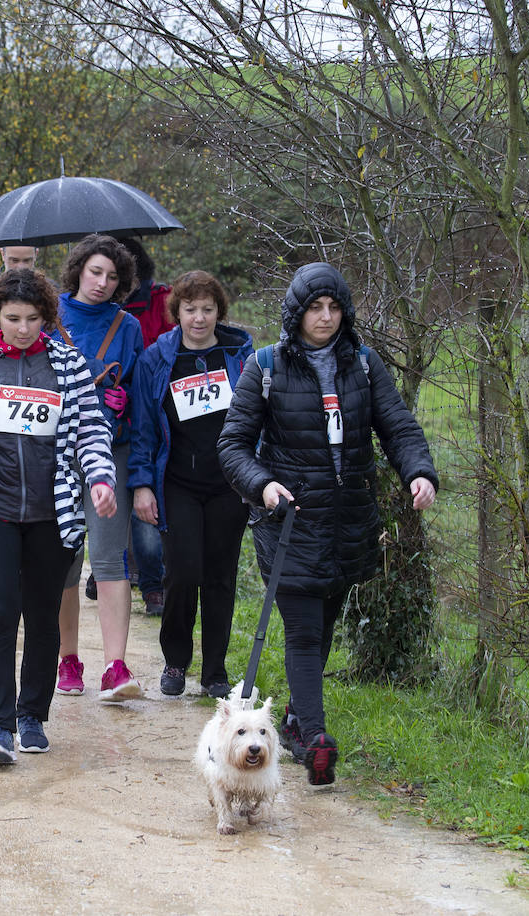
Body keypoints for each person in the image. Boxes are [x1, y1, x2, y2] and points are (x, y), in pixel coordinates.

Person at [217, 262, 438, 785]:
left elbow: (397, 425)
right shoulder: (265, 366)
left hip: (347, 523)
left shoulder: (362, 364)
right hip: (290, 520)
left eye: (334, 307)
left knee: (326, 623)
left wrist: (419, 472)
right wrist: (262, 485)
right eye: (315, 307)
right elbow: (232, 445)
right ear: (297, 312)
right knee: (304, 629)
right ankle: (315, 738)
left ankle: (293, 718)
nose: (325, 317)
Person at [0, 269, 117, 764]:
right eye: (12, 318)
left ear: (47, 317)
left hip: (51, 511)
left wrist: (100, 479)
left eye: (33, 319)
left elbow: (91, 431)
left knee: (43, 616)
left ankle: (31, 715)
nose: (22, 328)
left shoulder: (68, 366)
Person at [128, 270, 254, 699]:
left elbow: (259, 419)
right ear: (176, 312)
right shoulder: (156, 359)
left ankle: (215, 670)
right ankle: (176, 661)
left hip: (228, 484)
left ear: (219, 311)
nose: (199, 318)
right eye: (190, 309)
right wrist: (141, 485)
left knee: (220, 577)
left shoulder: (240, 356)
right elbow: (143, 427)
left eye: (207, 309)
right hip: (177, 482)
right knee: (181, 573)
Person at [49, 234, 145, 701]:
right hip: (57, 450)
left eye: (112, 276)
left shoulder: (128, 326)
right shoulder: (49, 315)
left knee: (110, 559)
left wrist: (123, 403)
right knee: (66, 560)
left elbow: (140, 387)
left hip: (113, 451)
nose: (103, 283)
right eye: (95, 272)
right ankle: (68, 660)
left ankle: (115, 665)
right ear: (78, 271)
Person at [118, 237, 171, 616]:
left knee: (151, 496)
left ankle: (154, 579)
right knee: (128, 495)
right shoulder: (105, 310)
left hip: (163, 409)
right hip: (121, 415)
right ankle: (134, 571)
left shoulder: (163, 301)